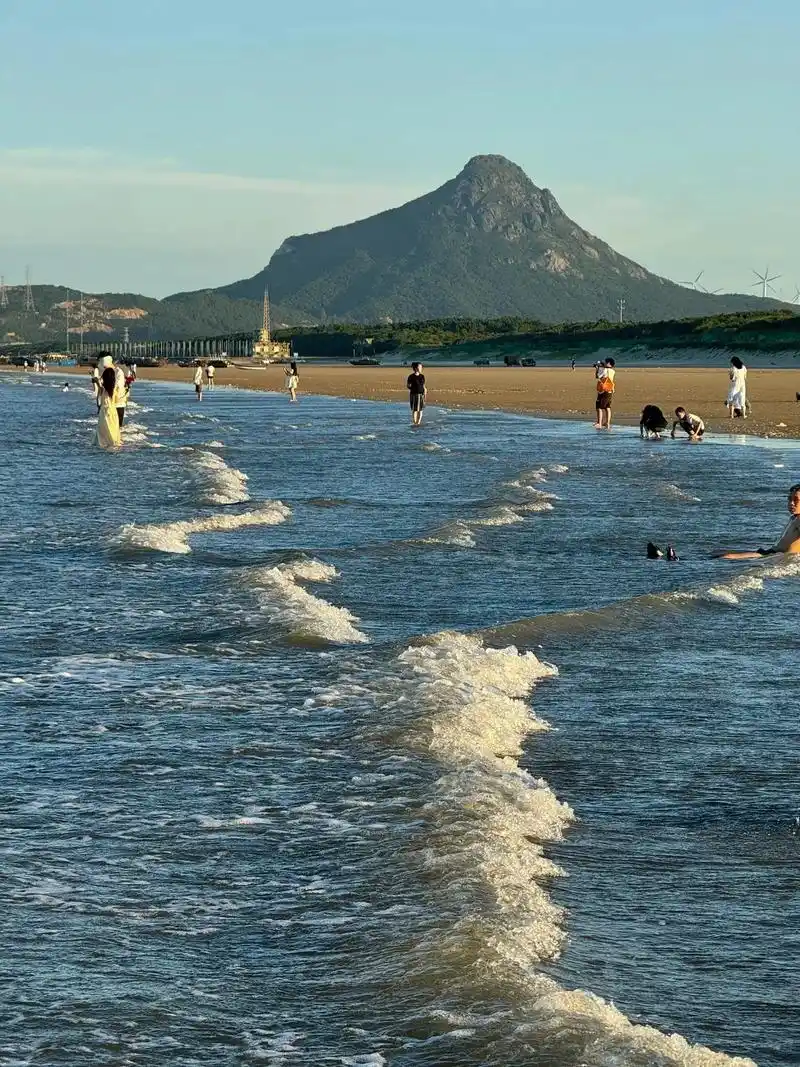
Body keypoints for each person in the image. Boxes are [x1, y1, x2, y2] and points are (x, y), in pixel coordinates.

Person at [718, 484, 800, 559]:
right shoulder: (794, 517)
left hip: (776, 555)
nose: (791, 503)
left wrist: (789, 557)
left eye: (796, 500)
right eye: (789, 499)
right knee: (724, 555)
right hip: (772, 553)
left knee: (727, 556)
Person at [96, 367, 121, 449]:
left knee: (103, 430)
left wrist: (97, 382)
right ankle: (114, 443)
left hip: (105, 411)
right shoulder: (114, 388)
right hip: (113, 411)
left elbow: (99, 397)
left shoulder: (103, 388)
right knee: (113, 428)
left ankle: (106, 444)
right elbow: (117, 399)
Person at [594, 358, 615, 429]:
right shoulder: (613, 371)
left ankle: (599, 423)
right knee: (607, 407)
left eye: (605, 362)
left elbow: (598, 376)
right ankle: (607, 423)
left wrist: (597, 369)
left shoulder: (604, 370)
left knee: (599, 407)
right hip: (610, 390)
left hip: (603, 390)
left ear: (608, 363)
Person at [407, 361, 427, 425]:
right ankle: (415, 422)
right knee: (414, 409)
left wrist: (425, 393)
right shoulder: (411, 376)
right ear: (415, 368)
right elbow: (408, 385)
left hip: (421, 394)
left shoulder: (422, 376)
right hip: (413, 394)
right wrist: (411, 387)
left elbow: (424, 386)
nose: (421, 368)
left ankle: (418, 422)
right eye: (420, 367)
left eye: (421, 367)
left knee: (420, 409)